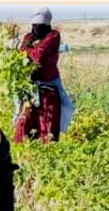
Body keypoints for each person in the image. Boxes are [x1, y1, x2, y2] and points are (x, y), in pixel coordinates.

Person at [14, 8, 75, 142]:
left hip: (50, 81)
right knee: (22, 115)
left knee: (64, 109)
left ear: (47, 26)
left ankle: (60, 137)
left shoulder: (53, 36)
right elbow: (22, 58)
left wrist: (21, 47)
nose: (37, 30)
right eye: (35, 26)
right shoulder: (29, 37)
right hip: (31, 82)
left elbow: (38, 56)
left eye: (41, 27)